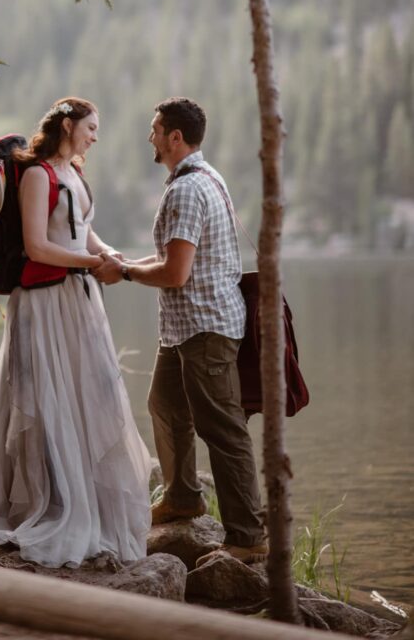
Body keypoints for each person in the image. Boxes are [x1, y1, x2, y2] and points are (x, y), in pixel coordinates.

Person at [0, 97, 151, 567]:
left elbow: (82, 230)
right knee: (46, 395)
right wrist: (92, 264)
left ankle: (79, 493)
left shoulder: (74, 173)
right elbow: (37, 246)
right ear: (68, 124)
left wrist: (111, 255)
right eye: (91, 127)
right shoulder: (39, 174)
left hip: (77, 300)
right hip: (43, 303)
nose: (95, 136)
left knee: (85, 393)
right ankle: (46, 500)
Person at [94, 96, 268, 566]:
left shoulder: (189, 190)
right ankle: (184, 497)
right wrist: (126, 263)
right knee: (166, 404)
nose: (150, 137)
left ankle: (248, 536)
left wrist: (124, 273)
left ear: (175, 137)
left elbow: (175, 274)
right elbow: (176, 264)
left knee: (222, 428)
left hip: (206, 326)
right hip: (187, 327)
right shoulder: (203, 178)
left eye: (155, 129)